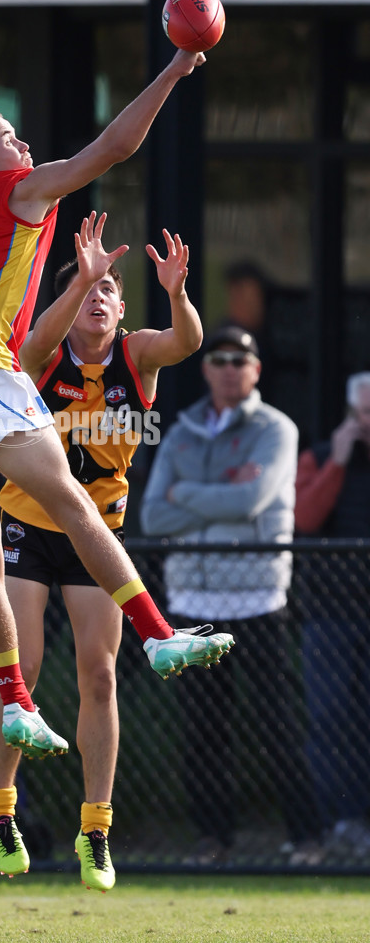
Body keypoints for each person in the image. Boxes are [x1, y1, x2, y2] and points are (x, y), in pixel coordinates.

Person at [0, 48, 234, 872]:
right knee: (72, 503)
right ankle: (159, 634)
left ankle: (13, 700)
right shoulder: (14, 192)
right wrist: (177, 66)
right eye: (10, 137)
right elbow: (113, 150)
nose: (25, 145)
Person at [0, 210, 204, 890]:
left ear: (122, 308)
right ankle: (0, 813)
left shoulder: (135, 354)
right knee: (18, 670)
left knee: (99, 674)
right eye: (88, 290)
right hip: (27, 524)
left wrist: (177, 293)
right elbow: (25, 351)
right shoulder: (44, 353)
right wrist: (76, 279)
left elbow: (188, 342)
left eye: (108, 289)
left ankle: (97, 830)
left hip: (97, 535)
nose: (99, 298)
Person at [140, 325, 324, 867]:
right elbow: (153, 515)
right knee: (202, 731)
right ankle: (213, 841)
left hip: (257, 598)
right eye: (217, 359)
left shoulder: (277, 429)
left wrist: (186, 494)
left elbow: (253, 498)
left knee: (277, 725)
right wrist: (217, 496)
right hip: (191, 597)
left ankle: (308, 838)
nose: (227, 368)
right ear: (205, 368)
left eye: (238, 360)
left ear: (256, 370)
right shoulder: (181, 431)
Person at [294, 371, 370, 859]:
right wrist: (338, 463)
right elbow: (303, 518)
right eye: (365, 412)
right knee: (328, 719)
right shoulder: (320, 457)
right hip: (330, 613)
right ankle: (339, 821)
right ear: (351, 413)